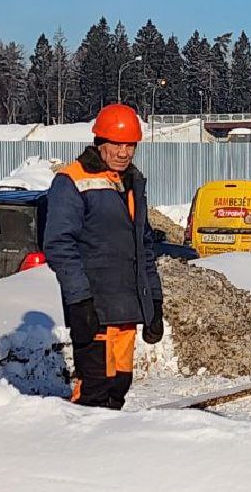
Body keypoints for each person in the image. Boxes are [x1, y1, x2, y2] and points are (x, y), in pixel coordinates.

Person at [44, 103, 164, 410]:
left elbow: (143, 247)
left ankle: (112, 441)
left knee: (117, 389)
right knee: (94, 392)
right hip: (94, 310)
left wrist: (154, 301)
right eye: (117, 144)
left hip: (126, 311)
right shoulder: (71, 180)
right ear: (100, 142)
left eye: (130, 145)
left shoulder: (131, 183)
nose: (124, 152)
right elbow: (59, 244)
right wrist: (80, 300)